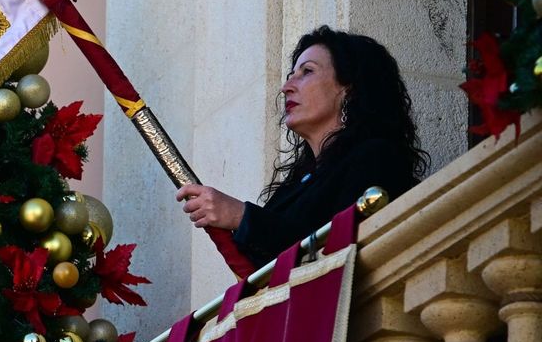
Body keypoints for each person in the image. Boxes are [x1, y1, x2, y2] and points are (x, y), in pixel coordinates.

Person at [174, 26, 428, 266]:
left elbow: (338, 252)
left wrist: (241, 216)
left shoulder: (376, 158)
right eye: (291, 75)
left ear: (348, 89)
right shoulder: (294, 186)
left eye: (307, 72)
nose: (286, 87)